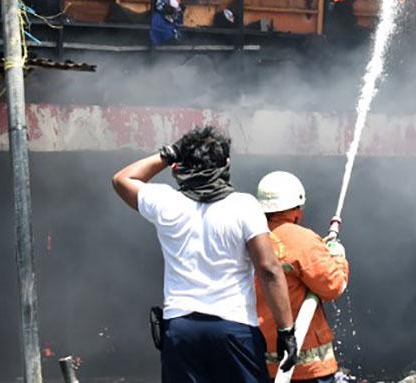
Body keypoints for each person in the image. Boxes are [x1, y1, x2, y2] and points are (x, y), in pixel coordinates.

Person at [112, 125, 297, 383]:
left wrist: (169, 153)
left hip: (181, 330)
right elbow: (269, 270)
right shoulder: (244, 206)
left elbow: (122, 180)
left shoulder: (166, 202)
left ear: (181, 165)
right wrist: (286, 330)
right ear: (226, 164)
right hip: (234, 327)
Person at [254, 171, 349, 383]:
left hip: (257, 360)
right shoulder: (302, 240)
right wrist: (337, 256)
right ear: (297, 210)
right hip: (306, 368)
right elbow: (333, 286)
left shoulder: (251, 237)